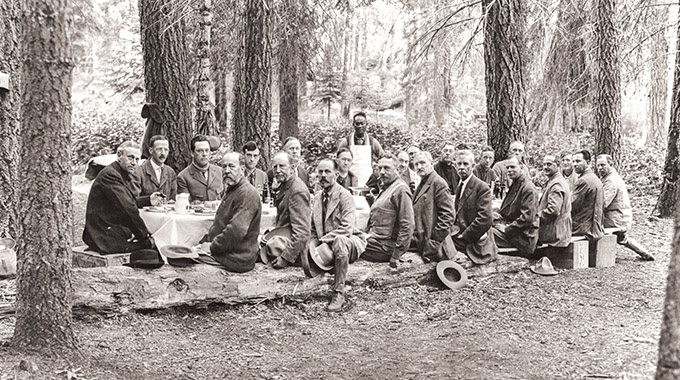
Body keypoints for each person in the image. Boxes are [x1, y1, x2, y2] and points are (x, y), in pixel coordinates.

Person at [83, 141, 159, 254]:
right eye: (130, 158)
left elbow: (125, 201)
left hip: (105, 229)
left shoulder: (118, 172)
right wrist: (144, 235)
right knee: (154, 244)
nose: (134, 163)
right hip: (103, 235)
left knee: (154, 240)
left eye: (137, 159)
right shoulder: (111, 175)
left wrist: (148, 200)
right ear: (119, 156)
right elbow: (127, 208)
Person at [311, 159, 367, 311]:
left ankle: (339, 293)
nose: (323, 175)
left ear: (336, 174)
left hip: (350, 242)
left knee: (340, 240)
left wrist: (323, 240)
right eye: (320, 172)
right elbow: (312, 229)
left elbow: (347, 228)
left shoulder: (344, 195)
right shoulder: (316, 198)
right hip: (327, 247)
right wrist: (311, 245)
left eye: (327, 172)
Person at [199, 153, 262, 272]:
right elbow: (220, 225)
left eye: (231, 166)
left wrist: (212, 247)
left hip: (237, 258)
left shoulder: (247, 193)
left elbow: (236, 231)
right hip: (227, 253)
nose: (226, 171)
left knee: (180, 260)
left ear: (242, 169)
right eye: (224, 167)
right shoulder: (232, 189)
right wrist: (204, 242)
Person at [596, 154, 654, 260]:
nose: (600, 168)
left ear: (611, 164)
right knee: (622, 238)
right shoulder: (608, 177)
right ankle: (645, 253)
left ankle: (593, 256)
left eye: (603, 165)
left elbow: (602, 204)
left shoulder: (611, 181)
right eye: (598, 165)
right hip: (617, 216)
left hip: (616, 218)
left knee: (587, 226)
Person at [361, 153, 414, 267]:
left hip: (385, 248)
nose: (382, 172)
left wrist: (397, 255)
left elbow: (407, 225)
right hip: (376, 242)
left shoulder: (401, 190)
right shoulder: (387, 187)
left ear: (398, 170)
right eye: (380, 168)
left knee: (349, 243)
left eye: (386, 168)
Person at [450, 150, 498, 264]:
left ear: (472, 166)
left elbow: (485, 219)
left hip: (476, 240)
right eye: (459, 164)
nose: (461, 167)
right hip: (461, 231)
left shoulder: (481, 187)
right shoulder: (461, 185)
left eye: (465, 164)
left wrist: (465, 236)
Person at [269, 152, 312, 269]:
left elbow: (302, 232)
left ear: (292, 168)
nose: (277, 170)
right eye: (275, 167)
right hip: (281, 239)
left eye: (282, 166)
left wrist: (285, 258)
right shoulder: (285, 185)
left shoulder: (297, 191)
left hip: (292, 251)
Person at [491, 156, 539, 258]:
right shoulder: (516, 183)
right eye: (507, 167)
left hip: (523, 237)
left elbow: (527, 218)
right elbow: (510, 210)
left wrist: (507, 229)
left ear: (521, 167)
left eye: (512, 167)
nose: (509, 170)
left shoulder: (528, 188)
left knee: (484, 232)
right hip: (515, 231)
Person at [411, 151, 456, 262]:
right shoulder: (422, 184)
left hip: (439, 249)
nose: (419, 167)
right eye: (416, 164)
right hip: (423, 241)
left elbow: (448, 216)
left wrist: (433, 244)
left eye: (423, 163)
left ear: (431, 164)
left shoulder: (438, 183)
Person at [337, 112, 385, 185]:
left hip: (368, 180)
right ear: (353, 124)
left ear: (366, 124)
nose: (360, 126)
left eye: (362, 123)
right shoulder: (346, 142)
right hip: (349, 180)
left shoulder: (373, 142)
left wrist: (377, 172)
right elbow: (337, 160)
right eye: (357, 124)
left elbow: (383, 158)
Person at [537, 155, 572, 250]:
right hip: (558, 231)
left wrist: (535, 217)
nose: (545, 167)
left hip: (555, 234)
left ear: (558, 166)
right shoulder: (555, 181)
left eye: (549, 164)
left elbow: (553, 210)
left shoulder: (557, 184)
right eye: (544, 164)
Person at [177, 135, 224, 202]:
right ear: (192, 153)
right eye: (199, 151)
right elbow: (185, 205)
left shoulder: (220, 172)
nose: (204, 154)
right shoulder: (183, 177)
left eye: (207, 150)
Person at [571, 149, 604, 242]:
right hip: (595, 226)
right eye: (573, 161)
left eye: (578, 161)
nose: (574, 164)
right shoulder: (594, 178)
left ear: (588, 162)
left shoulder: (583, 181)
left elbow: (572, 206)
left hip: (583, 228)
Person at [136, 134, 177, 202]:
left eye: (166, 150)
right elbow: (134, 200)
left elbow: (173, 197)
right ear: (151, 150)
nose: (163, 153)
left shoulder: (170, 172)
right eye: (159, 149)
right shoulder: (140, 171)